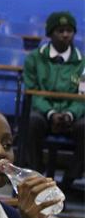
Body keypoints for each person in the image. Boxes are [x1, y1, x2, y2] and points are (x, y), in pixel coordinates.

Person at [23, 11, 84, 193]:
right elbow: (33, 92)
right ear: (50, 33)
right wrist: (51, 113)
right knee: (31, 121)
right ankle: (37, 176)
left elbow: (82, 97)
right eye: (60, 31)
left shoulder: (82, 63)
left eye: (69, 31)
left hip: (72, 115)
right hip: (44, 113)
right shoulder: (35, 58)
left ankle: (68, 181)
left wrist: (69, 114)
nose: (65, 35)